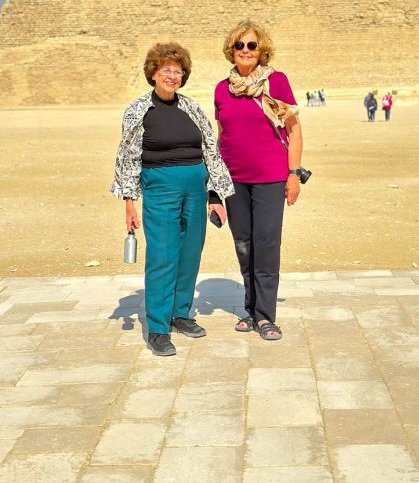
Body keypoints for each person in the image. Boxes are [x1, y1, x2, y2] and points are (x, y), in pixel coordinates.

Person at [111, 42, 234, 356]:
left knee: (190, 252)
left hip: (195, 187)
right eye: (165, 70)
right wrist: (129, 201)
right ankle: (158, 327)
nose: (172, 76)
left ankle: (181, 313)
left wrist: (214, 194)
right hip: (160, 188)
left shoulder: (191, 107)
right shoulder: (139, 110)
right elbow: (127, 157)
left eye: (177, 71)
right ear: (153, 73)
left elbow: (210, 149)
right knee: (163, 256)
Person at [214, 21, 303, 340]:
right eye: (240, 45)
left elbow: (293, 130)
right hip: (234, 179)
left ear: (262, 50)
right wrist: (214, 186)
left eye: (252, 45)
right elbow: (221, 137)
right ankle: (250, 309)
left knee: (266, 244)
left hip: (269, 178)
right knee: (244, 245)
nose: (246, 51)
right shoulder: (222, 89)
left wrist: (293, 174)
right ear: (231, 50)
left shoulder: (276, 83)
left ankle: (265, 316)